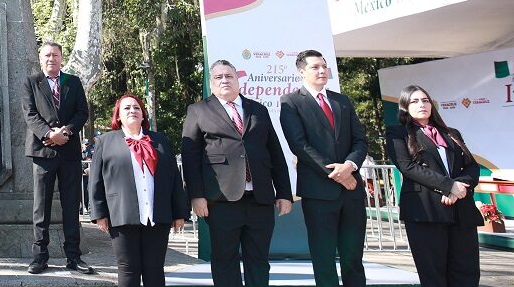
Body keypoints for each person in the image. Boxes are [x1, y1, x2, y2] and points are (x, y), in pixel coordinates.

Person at [181, 59, 293, 287]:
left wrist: (284, 192)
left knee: (259, 261)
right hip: (221, 200)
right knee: (224, 260)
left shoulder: (258, 109)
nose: (225, 80)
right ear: (211, 84)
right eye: (219, 77)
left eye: (229, 76)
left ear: (238, 80)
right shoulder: (198, 110)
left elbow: (275, 153)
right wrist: (196, 195)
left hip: (260, 200)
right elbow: (190, 158)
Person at [279, 49, 368, 287]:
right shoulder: (291, 102)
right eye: (315, 67)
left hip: (352, 192)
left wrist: (349, 166)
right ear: (301, 72)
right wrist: (337, 175)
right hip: (319, 194)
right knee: (323, 258)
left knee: (353, 258)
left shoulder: (342, 101)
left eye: (324, 66)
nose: (321, 71)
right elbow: (300, 145)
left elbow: (360, 140)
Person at [384, 85, 481, 287]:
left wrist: (459, 186)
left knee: (466, 271)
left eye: (425, 100)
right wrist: (447, 186)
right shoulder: (397, 133)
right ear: (404, 107)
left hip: (461, 209)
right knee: (433, 273)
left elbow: (471, 166)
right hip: (425, 211)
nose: (422, 105)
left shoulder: (451, 133)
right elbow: (407, 167)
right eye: (415, 101)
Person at [89, 94, 188, 287]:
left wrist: (179, 213)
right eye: (126, 108)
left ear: (143, 115)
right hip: (122, 215)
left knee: (155, 269)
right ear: (118, 116)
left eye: (136, 108)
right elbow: (96, 181)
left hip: (157, 215)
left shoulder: (160, 141)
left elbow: (174, 178)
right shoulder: (105, 141)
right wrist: (99, 213)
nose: (132, 111)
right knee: (128, 269)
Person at [23, 40, 93, 275]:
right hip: (42, 152)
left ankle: (73, 257)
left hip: (69, 152)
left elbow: (82, 112)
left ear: (61, 58)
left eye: (55, 55)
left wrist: (66, 132)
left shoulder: (73, 82)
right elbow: (30, 114)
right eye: (47, 55)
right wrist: (49, 134)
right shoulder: (31, 82)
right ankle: (40, 257)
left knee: (71, 205)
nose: (51, 58)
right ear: (40, 58)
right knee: (40, 207)